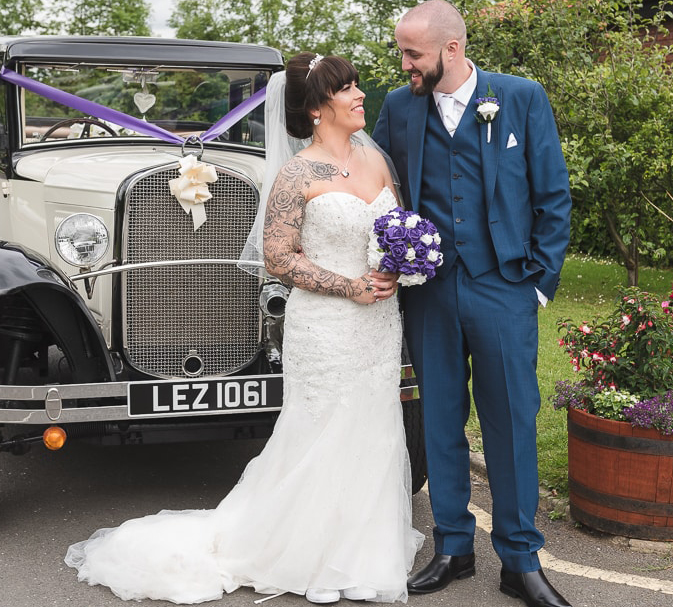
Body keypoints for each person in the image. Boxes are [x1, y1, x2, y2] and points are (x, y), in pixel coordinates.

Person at [64, 53, 424, 605]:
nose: (359, 95)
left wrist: (395, 270)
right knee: (321, 430)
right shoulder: (296, 173)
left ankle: (361, 549)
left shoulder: (375, 163)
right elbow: (279, 260)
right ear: (315, 108)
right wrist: (349, 287)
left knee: (372, 428)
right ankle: (305, 551)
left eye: (355, 86)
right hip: (327, 325)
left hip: (377, 323)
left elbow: (393, 232)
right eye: (346, 89)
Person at [372, 2, 573, 607]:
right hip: (430, 292)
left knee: (512, 420)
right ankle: (454, 547)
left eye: (413, 54)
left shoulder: (519, 98)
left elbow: (553, 194)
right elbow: (380, 190)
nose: (403, 64)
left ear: (451, 49)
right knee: (438, 419)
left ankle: (521, 560)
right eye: (401, 52)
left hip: (504, 287)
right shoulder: (398, 107)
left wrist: (538, 283)